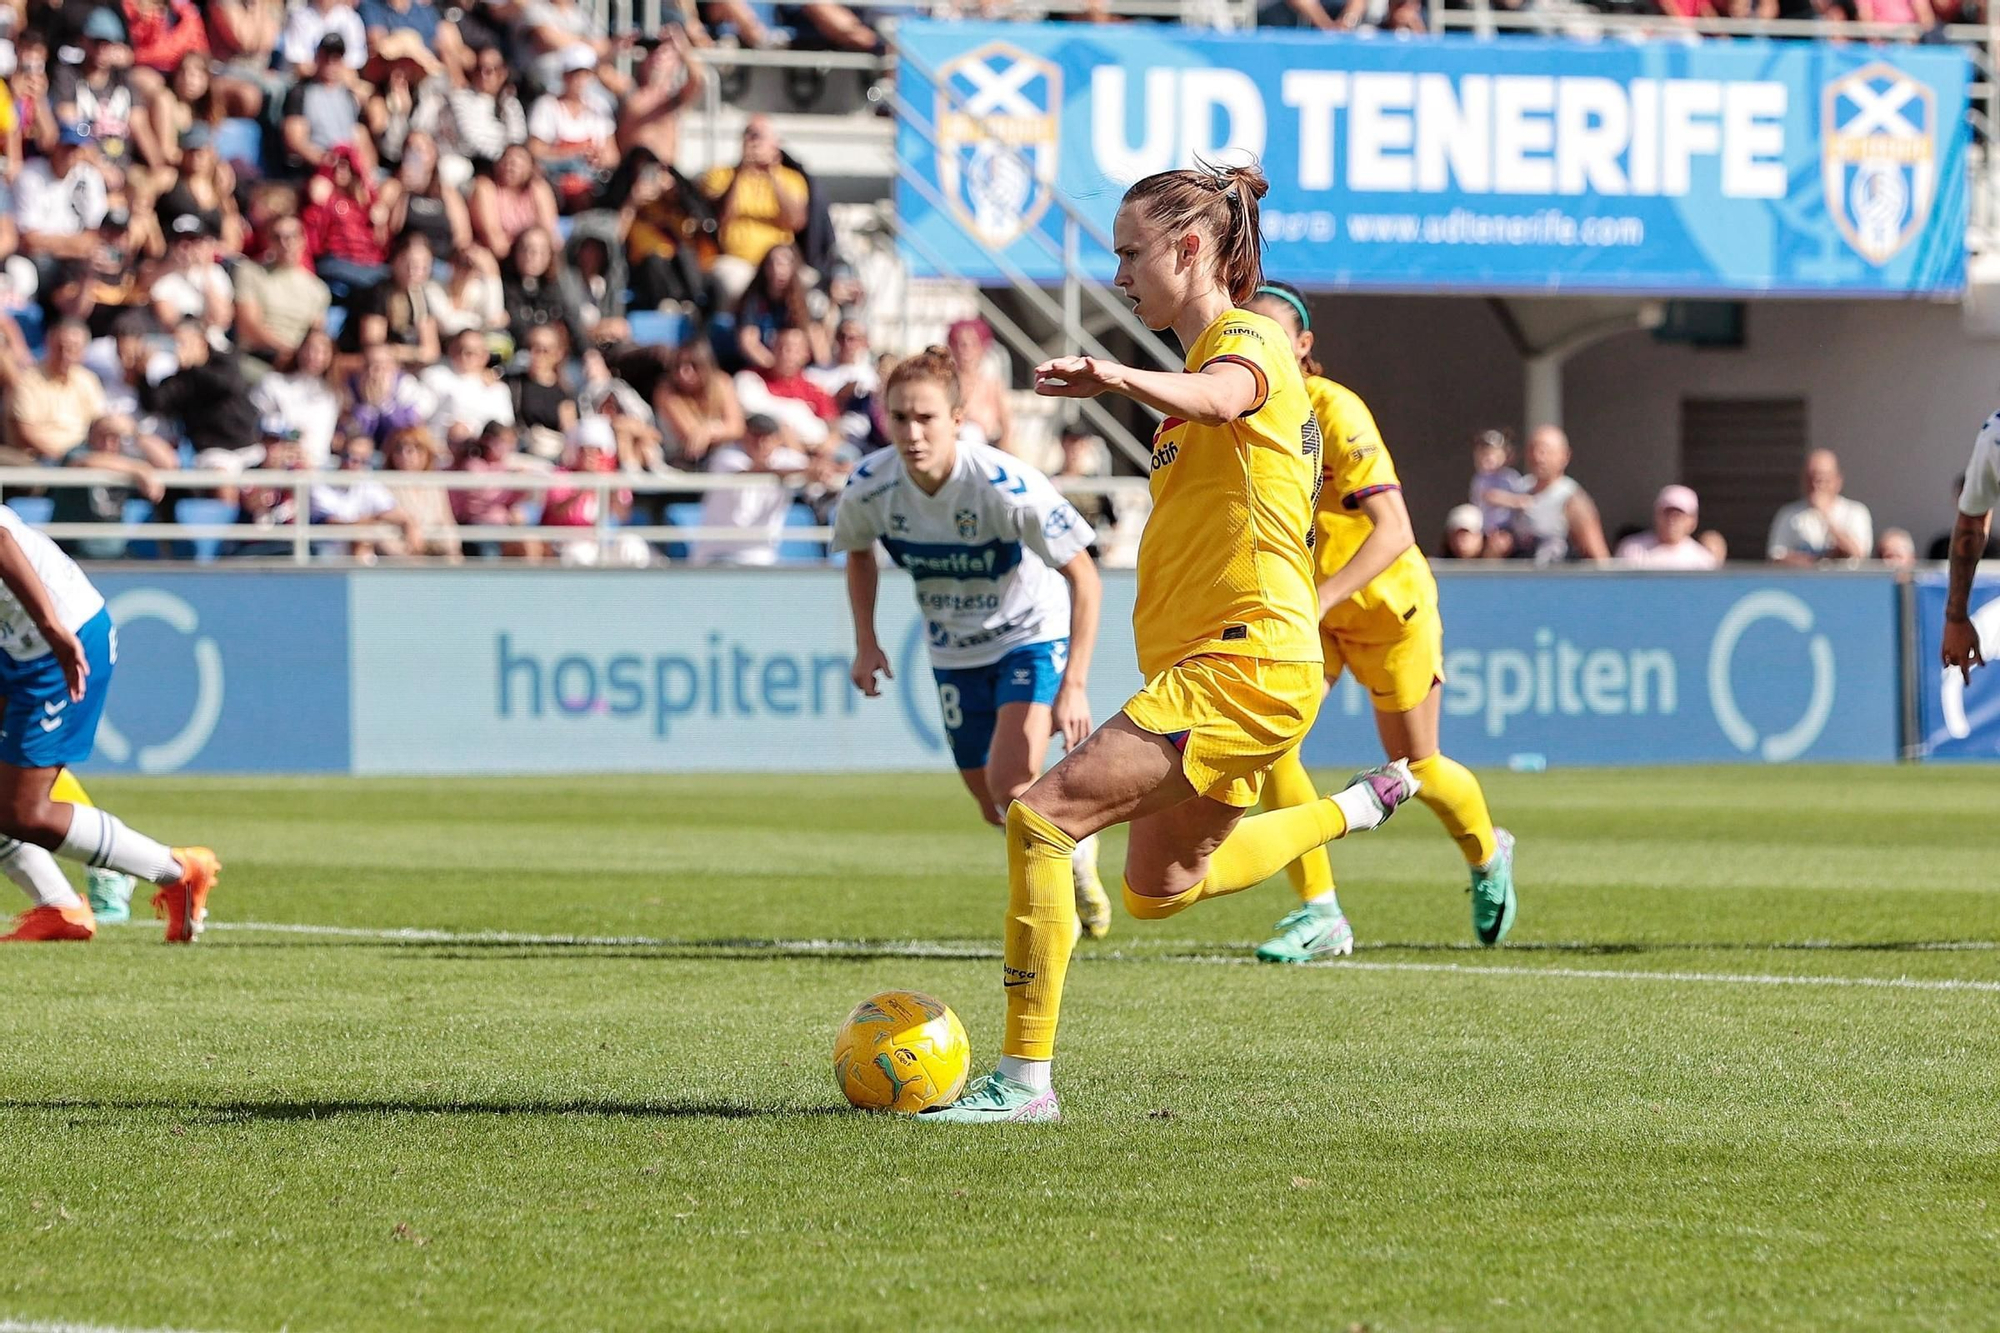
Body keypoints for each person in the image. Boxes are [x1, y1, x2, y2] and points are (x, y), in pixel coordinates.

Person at [918, 163, 1415, 1125]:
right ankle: (1354, 806)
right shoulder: (1204, 365)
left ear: (1191, 250)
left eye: (1130, 253)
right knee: (1159, 888)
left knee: (1039, 819)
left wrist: (1110, 373)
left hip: (1242, 660)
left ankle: (1022, 1084)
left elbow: (1225, 396)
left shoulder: (1246, 340)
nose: (1118, 274)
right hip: (1240, 664)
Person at [1243, 279, 1513, 963]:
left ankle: (1487, 852)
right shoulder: (1244, 414)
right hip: (1315, 615)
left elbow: (1394, 529)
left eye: (1274, 336)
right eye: (1248, 335)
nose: (1258, 348)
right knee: (1273, 749)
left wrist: (1323, 595)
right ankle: (1320, 911)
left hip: (1388, 608)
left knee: (1416, 764)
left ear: (1303, 347)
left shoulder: (1336, 411)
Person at [834, 346, 1110, 937]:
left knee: (1011, 784)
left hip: (1028, 635)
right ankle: (1078, 843)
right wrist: (867, 641)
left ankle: (1050, 913)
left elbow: (1084, 575)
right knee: (993, 807)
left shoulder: (1002, 485)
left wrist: (1075, 684)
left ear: (957, 419)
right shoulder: (870, 485)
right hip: (953, 651)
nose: (912, 432)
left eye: (926, 417)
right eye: (900, 417)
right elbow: (858, 552)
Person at [0, 502, 219, 942]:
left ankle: (177, 871)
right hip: (19, 645)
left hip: (59, 642)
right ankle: (60, 908)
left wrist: (51, 626)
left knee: (23, 811)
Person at [1941, 412, 2000, 681]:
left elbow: (1972, 526)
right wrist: (1956, 617)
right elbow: (1971, 526)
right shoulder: (1995, 433)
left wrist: (1956, 618)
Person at [1768, 448, 1872, 566]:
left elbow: (1858, 553)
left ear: (1837, 480)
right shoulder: (1789, 514)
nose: (1816, 485)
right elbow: (1776, 557)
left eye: (1822, 479)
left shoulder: (1855, 512)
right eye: (1810, 478)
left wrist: (1824, 515)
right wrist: (1814, 561)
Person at [1616, 485, 1718, 570]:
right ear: (1656, 515)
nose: (1671, 520)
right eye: (1667, 513)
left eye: (1678, 515)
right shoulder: (1632, 549)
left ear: (1692, 520)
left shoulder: (1703, 560)